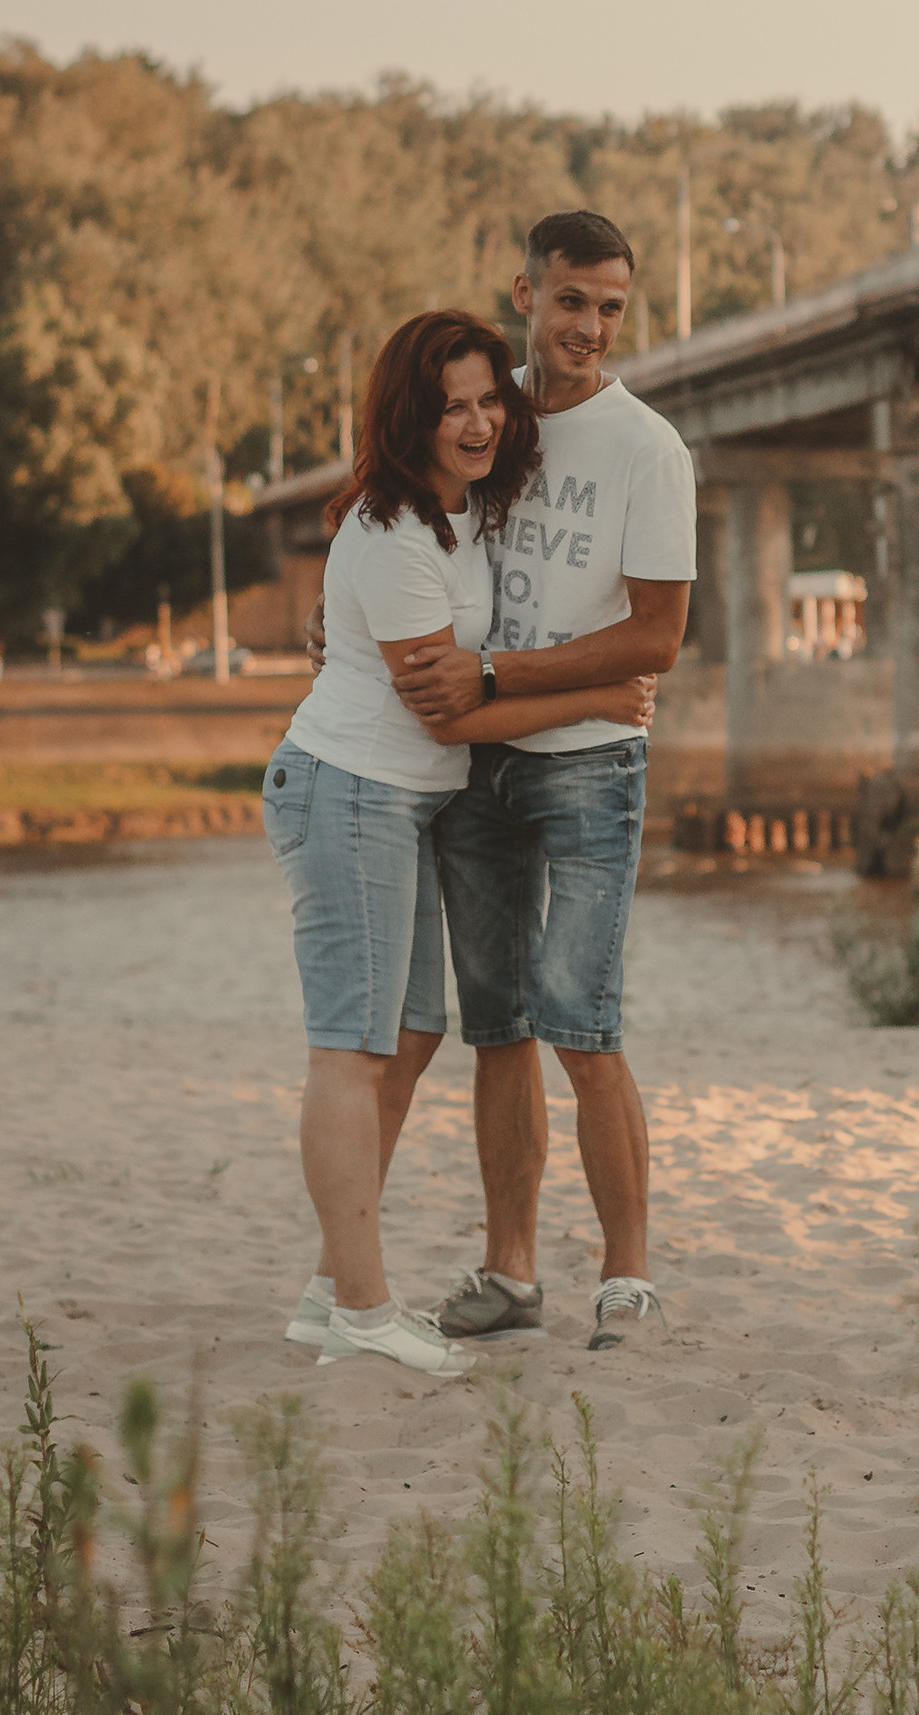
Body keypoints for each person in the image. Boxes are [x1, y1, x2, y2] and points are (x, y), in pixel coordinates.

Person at [265, 312, 660, 1376]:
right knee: (354, 1050)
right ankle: (362, 1310)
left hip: (400, 803)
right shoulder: (398, 532)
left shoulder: (462, 510)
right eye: (453, 408)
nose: (479, 422)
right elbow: (446, 714)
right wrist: (598, 698)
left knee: (407, 1038)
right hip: (352, 790)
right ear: (413, 418)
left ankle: (327, 1294)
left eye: (491, 400)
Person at [363, 209, 695, 1353]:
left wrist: (498, 669)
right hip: (469, 761)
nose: (589, 326)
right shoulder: (478, 414)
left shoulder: (648, 449)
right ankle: (510, 1273)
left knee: (582, 1024)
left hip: (589, 763)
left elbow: (656, 638)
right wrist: (340, 614)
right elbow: (388, 505)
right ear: (525, 294)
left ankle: (627, 1278)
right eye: (571, 302)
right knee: (497, 1024)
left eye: (610, 307)